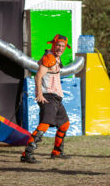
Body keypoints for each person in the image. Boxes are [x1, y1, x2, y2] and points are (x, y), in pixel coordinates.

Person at [20, 34, 71, 163]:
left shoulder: (56, 58)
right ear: (53, 45)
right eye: (58, 45)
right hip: (48, 96)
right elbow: (38, 76)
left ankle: (57, 152)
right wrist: (40, 94)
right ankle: (27, 154)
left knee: (65, 124)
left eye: (63, 46)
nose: (60, 48)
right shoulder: (49, 58)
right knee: (44, 124)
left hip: (56, 97)